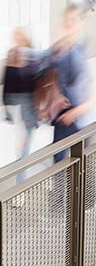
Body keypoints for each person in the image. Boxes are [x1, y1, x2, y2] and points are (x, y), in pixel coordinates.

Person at [48, 5, 92, 162]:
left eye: (73, 20)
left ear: (81, 23)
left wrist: (78, 111)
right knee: (59, 163)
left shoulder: (80, 49)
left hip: (79, 119)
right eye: (66, 19)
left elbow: (90, 91)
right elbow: (53, 79)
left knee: (83, 167)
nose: (68, 23)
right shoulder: (56, 49)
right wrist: (56, 97)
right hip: (63, 115)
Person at [2, 28, 42, 182]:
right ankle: (21, 180)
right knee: (21, 146)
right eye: (15, 36)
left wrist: (36, 109)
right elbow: (7, 84)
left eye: (19, 36)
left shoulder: (32, 57)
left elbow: (37, 85)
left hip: (27, 105)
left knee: (24, 145)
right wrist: (6, 109)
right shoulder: (11, 54)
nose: (16, 39)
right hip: (14, 105)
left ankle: (22, 181)